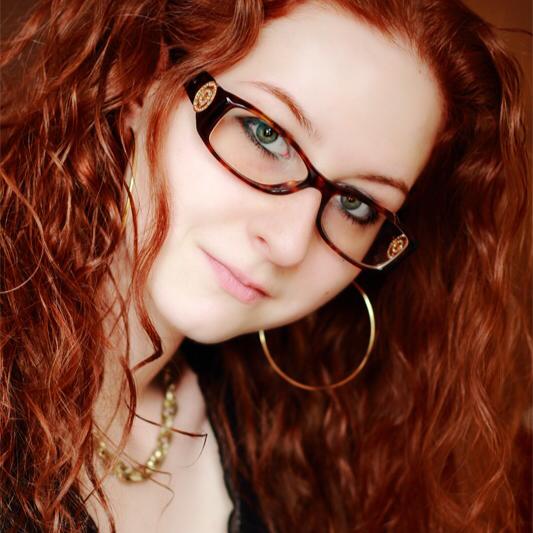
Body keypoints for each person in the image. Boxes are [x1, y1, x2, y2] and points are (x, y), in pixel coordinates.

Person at [1, 0, 530, 531]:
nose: (290, 243)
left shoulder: (289, 461)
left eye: (356, 204)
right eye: (265, 134)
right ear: (146, 79)